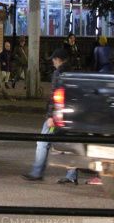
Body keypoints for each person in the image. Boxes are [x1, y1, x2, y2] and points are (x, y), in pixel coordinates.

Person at [22, 47, 78, 184]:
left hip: (57, 115)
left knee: (42, 142)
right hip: (69, 114)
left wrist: (50, 116)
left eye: (53, 59)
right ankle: (72, 175)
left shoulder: (59, 73)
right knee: (68, 144)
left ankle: (37, 172)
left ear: (58, 59)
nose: (52, 62)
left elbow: (55, 96)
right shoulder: (72, 72)